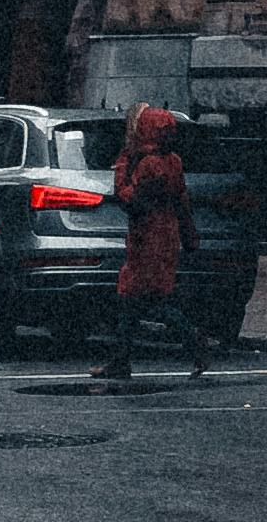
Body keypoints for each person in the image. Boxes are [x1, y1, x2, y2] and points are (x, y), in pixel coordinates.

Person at [102, 105, 204, 382]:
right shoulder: (173, 161)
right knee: (135, 300)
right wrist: (189, 235)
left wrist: (122, 171)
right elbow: (182, 201)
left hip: (147, 237)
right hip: (166, 234)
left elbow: (130, 199)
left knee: (145, 298)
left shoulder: (148, 164)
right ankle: (120, 361)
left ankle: (194, 344)